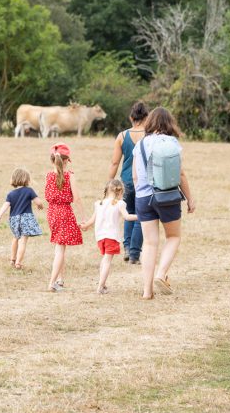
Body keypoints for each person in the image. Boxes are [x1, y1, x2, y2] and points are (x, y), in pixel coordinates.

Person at [133, 107, 195, 299]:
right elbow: (181, 173)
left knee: (150, 244)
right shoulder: (172, 143)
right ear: (170, 123)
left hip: (143, 198)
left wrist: (141, 197)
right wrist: (190, 198)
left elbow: (135, 177)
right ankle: (161, 274)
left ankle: (147, 291)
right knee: (173, 237)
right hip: (167, 197)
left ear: (150, 122)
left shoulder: (140, 144)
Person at [80, 179, 139, 294]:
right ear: (120, 192)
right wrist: (140, 216)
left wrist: (84, 226)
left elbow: (92, 220)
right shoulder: (119, 204)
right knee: (107, 260)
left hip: (100, 236)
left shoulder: (99, 203)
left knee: (104, 259)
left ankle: (103, 284)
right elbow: (127, 217)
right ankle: (100, 286)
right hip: (111, 236)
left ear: (107, 190)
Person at [108, 101, 149, 264]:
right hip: (144, 181)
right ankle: (134, 254)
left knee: (128, 213)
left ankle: (126, 247)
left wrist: (109, 183)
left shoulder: (122, 136)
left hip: (125, 181)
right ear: (146, 117)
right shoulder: (150, 136)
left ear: (131, 117)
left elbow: (114, 163)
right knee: (140, 216)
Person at [44, 143, 83, 292]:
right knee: (60, 249)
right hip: (64, 212)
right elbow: (77, 198)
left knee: (59, 247)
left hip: (52, 212)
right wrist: (83, 217)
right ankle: (52, 282)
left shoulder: (48, 176)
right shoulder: (69, 176)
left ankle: (60, 279)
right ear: (66, 160)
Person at [0, 168, 43, 270]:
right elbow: (38, 202)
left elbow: (5, 206)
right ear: (26, 179)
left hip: (14, 219)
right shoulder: (29, 191)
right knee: (23, 240)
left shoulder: (11, 194)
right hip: (25, 218)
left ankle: (12, 259)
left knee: (16, 237)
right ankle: (18, 263)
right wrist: (40, 205)